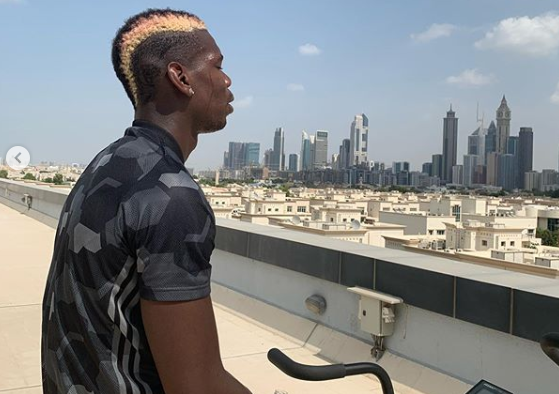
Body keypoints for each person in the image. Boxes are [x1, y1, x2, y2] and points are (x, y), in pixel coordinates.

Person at [41, 8, 252, 394]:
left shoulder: (106, 164)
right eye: (217, 66)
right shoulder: (171, 197)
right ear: (181, 77)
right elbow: (197, 387)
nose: (227, 79)